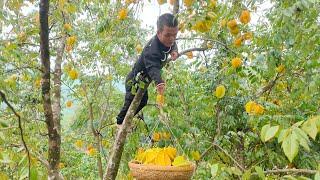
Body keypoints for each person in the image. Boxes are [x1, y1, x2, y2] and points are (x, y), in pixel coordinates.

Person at [116, 13, 179, 127]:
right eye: (168, 35)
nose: (172, 38)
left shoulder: (169, 39)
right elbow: (153, 67)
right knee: (130, 102)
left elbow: (173, 44)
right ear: (158, 32)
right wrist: (159, 81)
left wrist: (174, 51)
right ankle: (120, 122)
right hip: (134, 80)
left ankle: (127, 120)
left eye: (175, 34)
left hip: (144, 80)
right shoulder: (151, 50)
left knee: (143, 102)